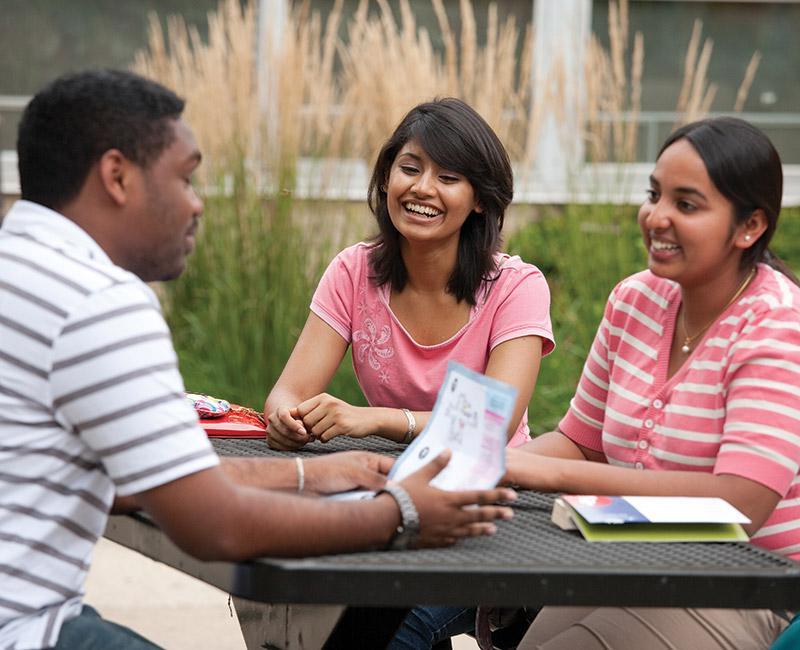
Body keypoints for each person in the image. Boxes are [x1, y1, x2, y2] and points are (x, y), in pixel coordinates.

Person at [0, 70, 517, 650]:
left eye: (449, 177)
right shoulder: (100, 301)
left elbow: (137, 485)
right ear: (117, 177)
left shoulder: (18, 266)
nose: (197, 205)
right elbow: (211, 521)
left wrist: (311, 473)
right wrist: (399, 512)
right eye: (187, 178)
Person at [505, 117, 799, 649]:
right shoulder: (636, 299)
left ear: (749, 227)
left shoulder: (777, 325)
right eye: (654, 194)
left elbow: (740, 504)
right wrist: (485, 463)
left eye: (686, 205)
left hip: (749, 582)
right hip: (632, 555)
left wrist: (541, 473)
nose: (656, 217)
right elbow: (581, 444)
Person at [265, 97, 554, 451]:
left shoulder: (517, 286)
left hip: (493, 484)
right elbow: (289, 392)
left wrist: (379, 419)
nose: (422, 188)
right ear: (387, 177)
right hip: (387, 471)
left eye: (448, 178)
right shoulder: (353, 271)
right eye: (411, 169)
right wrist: (284, 418)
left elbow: (492, 424)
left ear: (480, 199)